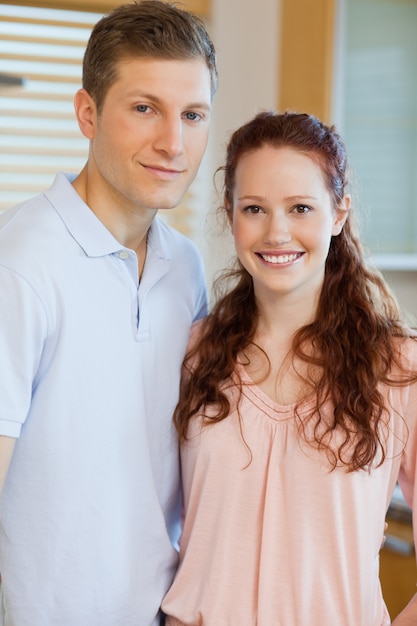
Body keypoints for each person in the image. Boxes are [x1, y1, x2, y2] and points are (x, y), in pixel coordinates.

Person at [0, 2, 217, 625]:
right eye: (144, 108)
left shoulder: (186, 268)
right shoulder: (21, 264)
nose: (173, 142)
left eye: (193, 115)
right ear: (87, 114)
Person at [161, 111, 417, 625]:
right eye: (254, 208)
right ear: (229, 213)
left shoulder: (397, 367)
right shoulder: (192, 355)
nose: (276, 233)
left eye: (300, 207)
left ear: (338, 214)